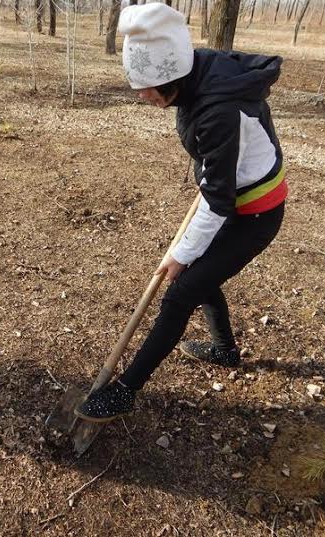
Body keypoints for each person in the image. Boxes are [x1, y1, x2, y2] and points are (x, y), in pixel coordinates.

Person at [76, 3, 287, 422]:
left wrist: (181, 253)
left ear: (174, 79)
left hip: (255, 212)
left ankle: (125, 390)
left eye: (149, 88)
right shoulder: (199, 73)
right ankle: (226, 351)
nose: (142, 96)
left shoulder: (217, 109)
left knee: (180, 292)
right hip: (230, 193)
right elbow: (216, 164)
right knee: (197, 272)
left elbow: (219, 201)